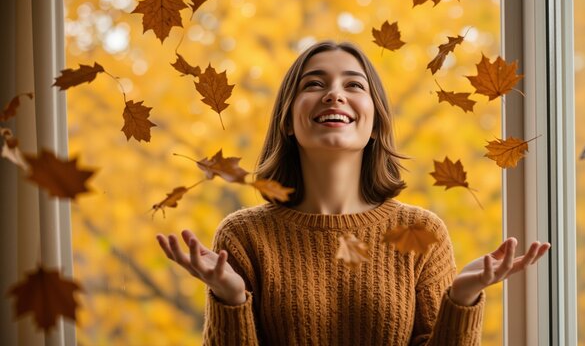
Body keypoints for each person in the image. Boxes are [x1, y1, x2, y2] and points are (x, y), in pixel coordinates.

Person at [156, 41, 551, 345]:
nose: (334, 94)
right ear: (288, 122)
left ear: (376, 122)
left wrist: (462, 299)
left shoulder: (421, 231)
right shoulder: (243, 236)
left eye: (353, 84)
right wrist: (230, 298)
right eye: (314, 84)